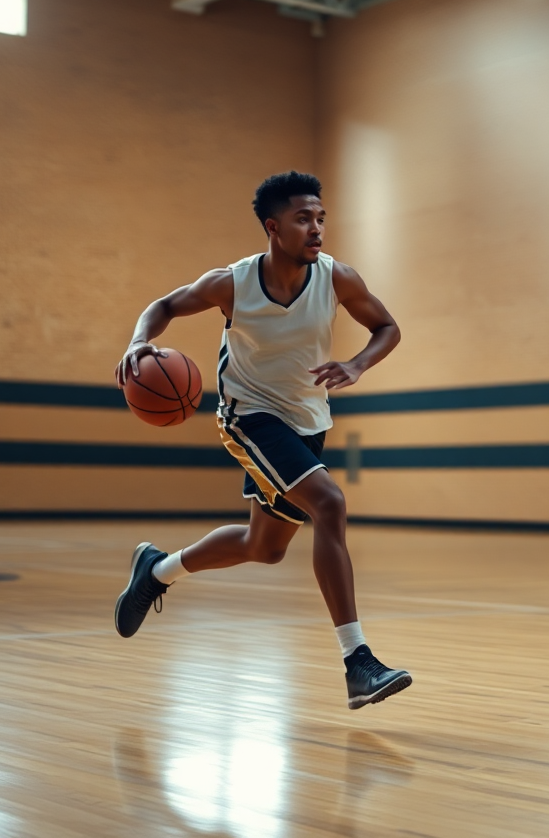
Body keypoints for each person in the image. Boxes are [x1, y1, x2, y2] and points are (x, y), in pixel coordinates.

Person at [112, 171, 411, 709]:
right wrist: (139, 341)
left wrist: (358, 364)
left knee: (264, 548)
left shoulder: (338, 278)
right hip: (249, 415)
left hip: (308, 420)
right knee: (329, 503)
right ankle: (358, 662)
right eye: (303, 219)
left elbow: (386, 327)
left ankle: (156, 570)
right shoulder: (232, 283)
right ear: (274, 228)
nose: (316, 228)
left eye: (320, 218)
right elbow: (164, 306)